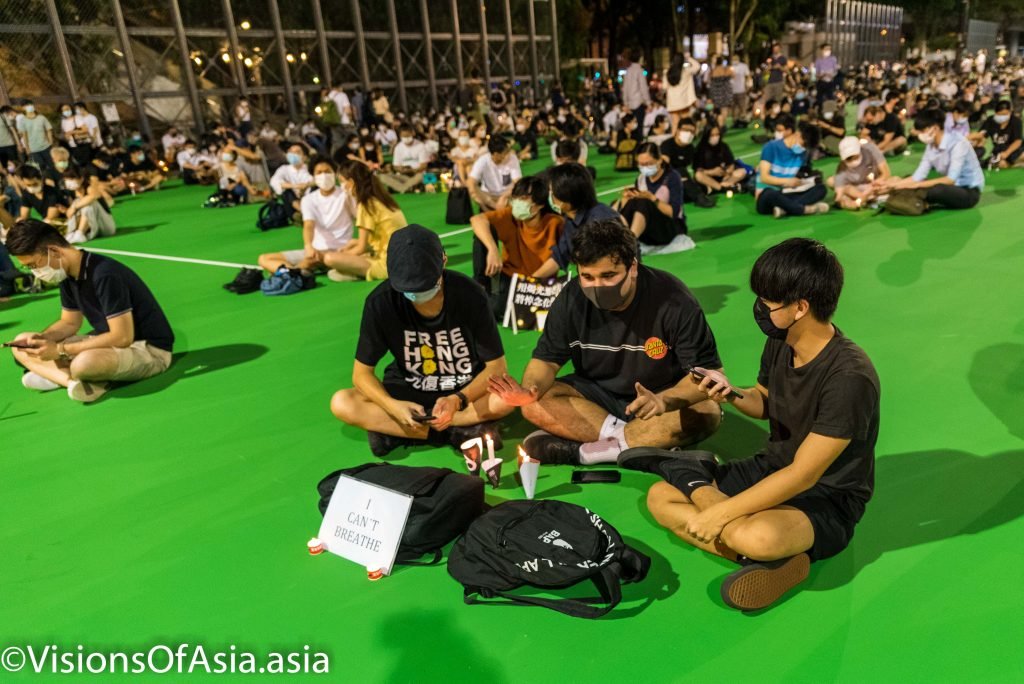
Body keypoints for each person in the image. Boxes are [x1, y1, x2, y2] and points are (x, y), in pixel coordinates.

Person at [638, 238, 879, 612]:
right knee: (659, 497)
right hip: (770, 467)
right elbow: (765, 402)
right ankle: (775, 561)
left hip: (827, 499)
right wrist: (731, 393)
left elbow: (803, 475)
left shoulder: (849, 376)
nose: (759, 309)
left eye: (768, 303)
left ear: (800, 307)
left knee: (757, 535)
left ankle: (745, 534)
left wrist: (719, 513)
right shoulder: (782, 342)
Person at [488, 219, 722, 466]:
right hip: (596, 399)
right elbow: (546, 361)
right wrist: (530, 390)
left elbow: (708, 375)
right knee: (534, 405)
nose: (597, 286)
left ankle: (583, 453)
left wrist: (664, 401)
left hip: (658, 397)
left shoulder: (675, 301)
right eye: (587, 276)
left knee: (707, 411)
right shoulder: (571, 298)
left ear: (633, 267)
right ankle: (637, 444)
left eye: (608, 275)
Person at [330, 224, 514, 457]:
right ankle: (455, 432)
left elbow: (497, 367)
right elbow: (361, 374)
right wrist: (392, 406)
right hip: (407, 391)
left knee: (505, 398)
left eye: (425, 287)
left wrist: (457, 399)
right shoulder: (380, 302)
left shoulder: (470, 295)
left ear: (444, 262)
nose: (417, 297)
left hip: (462, 389)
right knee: (342, 402)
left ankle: (404, 430)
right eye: (408, 290)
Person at [6, 219, 175, 403]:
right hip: (108, 344)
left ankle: (61, 375)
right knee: (20, 346)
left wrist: (60, 350)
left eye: (33, 265)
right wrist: (42, 338)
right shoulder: (67, 273)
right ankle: (73, 382)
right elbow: (70, 322)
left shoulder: (104, 274)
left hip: (148, 350)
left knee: (84, 363)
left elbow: (123, 337)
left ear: (53, 251)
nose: (35, 272)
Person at [470, 176, 564, 317]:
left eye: (524, 198)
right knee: (481, 236)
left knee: (495, 309)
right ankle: (481, 286)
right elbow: (476, 219)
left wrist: (527, 284)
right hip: (508, 277)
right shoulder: (510, 215)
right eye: (516, 198)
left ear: (540, 205)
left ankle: (485, 299)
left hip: (537, 282)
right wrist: (493, 249)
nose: (518, 203)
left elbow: (558, 260)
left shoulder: (555, 223)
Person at [256, 156, 353, 274]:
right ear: (313, 176)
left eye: (328, 171)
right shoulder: (308, 199)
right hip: (315, 251)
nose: (324, 175)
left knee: (320, 260)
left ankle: (296, 272)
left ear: (335, 174)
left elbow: (360, 218)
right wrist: (308, 247)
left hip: (342, 250)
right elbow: (308, 225)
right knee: (264, 259)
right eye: (319, 172)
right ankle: (297, 272)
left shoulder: (345, 195)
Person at [878, 108, 984, 210]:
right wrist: (891, 185)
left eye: (922, 130)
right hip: (951, 187)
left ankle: (910, 198)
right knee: (909, 179)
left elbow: (950, 179)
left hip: (969, 191)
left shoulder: (958, 143)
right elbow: (918, 176)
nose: (920, 134)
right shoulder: (931, 146)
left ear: (935, 128)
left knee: (937, 189)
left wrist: (915, 185)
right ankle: (902, 195)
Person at [322, 159, 407, 283]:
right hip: (402, 257)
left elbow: (361, 248)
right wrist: (352, 245)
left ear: (351, 182)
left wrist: (344, 255)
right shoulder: (381, 199)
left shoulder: (365, 205)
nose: (341, 186)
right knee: (351, 245)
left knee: (329, 258)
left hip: (389, 265)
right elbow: (373, 242)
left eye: (341, 182)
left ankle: (356, 273)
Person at [535, 163, 624, 278]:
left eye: (552, 192)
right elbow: (559, 257)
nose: (549, 196)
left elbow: (614, 266)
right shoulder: (570, 219)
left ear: (567, 194)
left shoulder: (602, 220)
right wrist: (531, 279)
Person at [613, 142, 688, 248]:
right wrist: (627, 198)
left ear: (660, 160)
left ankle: (631, 243)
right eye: (641, 164)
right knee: (623, 202)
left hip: (670, 228)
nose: (644, 167)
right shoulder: (641, 179)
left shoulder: (672, 178)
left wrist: (653, 199)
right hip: (649, 228)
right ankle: (620, 239)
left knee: (644, 202)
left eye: (648, 164)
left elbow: (673, 213)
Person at [755, 115, 829, 219]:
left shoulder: (803, 154)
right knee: (769, 193)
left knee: (821, 189)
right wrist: (787, 181)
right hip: (766, 196)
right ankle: (805, 209)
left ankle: (785, 209)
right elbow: (764, 178)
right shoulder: (771, 147)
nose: (803, 149)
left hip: (786, 192)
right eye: (804, 145)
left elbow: (801, 176)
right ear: (798, 134)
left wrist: (807, 180)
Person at [830, 137, 891, 211]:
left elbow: (886, 173)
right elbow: (838, 196)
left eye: (854, 157)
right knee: (831, 181)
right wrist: (859, 197)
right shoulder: (842, 168)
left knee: (894, 181)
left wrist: (873, 186)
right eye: (849, 158)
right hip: (855, 188)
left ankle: (867, 198)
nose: (852, 160)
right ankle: (867, 199)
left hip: (875, 184)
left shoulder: (871, 149)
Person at [466, 135, 522, 212]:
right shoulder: (483, 161)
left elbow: (518, 182)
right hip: (489, 197)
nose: (509, 154)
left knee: (522, 190)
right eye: (505, 152)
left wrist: (504, 197)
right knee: (474, 190)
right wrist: (493, 204)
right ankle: (490, 209)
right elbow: (470, 182)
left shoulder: (512, 158)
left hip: (508, 194)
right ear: (496, 154)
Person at [61, 168, 116, 244]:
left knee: (88, 203)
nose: (69, 182)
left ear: (81, 179)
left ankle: (80, 233)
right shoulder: (71, 194)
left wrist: (74, 207)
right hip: (92, 228)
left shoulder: (90, 188)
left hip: (106, 227)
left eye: (72, 178)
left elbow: (93, 196)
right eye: (66, 180)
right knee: (78, 202)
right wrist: (73, 208)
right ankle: (73, 232)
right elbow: (69, 213)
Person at [693, 125, 748, 194]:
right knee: (698, 176)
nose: (715, 137)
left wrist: (727, 172)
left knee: (742, 171)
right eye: (712, 135)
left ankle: (719, 187)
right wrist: (712, 172)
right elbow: (698, 170)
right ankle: (723, 187)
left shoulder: (723, 146)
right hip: (708, 178)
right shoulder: (700, 149)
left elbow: (731, 164)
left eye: (717, 134)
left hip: (724, 177)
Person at [377, 124, 429, 194]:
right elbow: (396, 166)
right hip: (403, 175)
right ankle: (407, 188)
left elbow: (424, 165)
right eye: (404, 136)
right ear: (400, 136)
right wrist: (402, 169)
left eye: (408, 136)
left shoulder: (420, 146)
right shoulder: (398, 147)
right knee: (382, 177)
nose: (406, 138)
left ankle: (402, 188)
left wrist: (413, 170)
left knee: (421, 176)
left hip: (417, 174)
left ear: (413, 133)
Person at [972, 100, 1022, 168]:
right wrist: (978, 144)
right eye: (1000, 114)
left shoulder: (1016, 121)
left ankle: (1015, 162)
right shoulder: (990, 121)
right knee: (999, 164)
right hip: (999, 150)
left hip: (1014, 150)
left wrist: (1007, 153)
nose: (1002, 116)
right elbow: (982, 136)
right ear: (995, 113)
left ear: (1010, 112)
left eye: (1005, 114)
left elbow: (1018, 141)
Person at [268, 143, 312, 213]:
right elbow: (274, 181)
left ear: (305, 157)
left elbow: (315, 181)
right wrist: (295, 186)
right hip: (292, 204)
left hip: (308, 199)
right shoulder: (283, 169)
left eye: (297, 152)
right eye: (291, 152)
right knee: (286, 192)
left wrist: (305, 187)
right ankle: (303, 212)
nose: (293, 154)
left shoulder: (310, 169)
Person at [664, 52, 700, 129]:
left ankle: (675, 139)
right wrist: (688, 58)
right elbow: (697, 66)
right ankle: (686, 139)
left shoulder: (667, 72)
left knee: (675, 124)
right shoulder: (686, 71)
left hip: (672, 102)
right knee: (686, 122)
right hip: (683, 101)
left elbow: (664, 87)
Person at [17, 100, 55, 172]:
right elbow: (24, 135)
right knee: (40, 168)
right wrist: (27, 148)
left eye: (30, 104)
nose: (29, 107)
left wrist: (50, 142)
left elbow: (49, 130)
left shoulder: (41, 117)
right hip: (33, 149)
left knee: (52, 165)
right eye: (26, 105)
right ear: (23, 108)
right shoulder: (22, 120)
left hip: (46, 146)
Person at [620, 49, 651, 124]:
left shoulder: (628, 71)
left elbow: (625, 89)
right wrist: (648, 102)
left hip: (630, 105)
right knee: (639, 126)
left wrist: (625, 103)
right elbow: (643, 88)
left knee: (633, 127)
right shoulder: (639, 70)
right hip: (639, 103)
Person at [709, 56, 734, 127]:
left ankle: (718, 124)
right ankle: (722, 125)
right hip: (725, 91)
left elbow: (709, 81)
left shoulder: (713, 70)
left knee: (717, 110)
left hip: (716, 92)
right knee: (724, 109)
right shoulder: (726, 69)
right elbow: (733, 75)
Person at [731, 54, 751, 125]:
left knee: (742, 106)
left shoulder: (743, 66)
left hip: (741, 89)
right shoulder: (730, 67)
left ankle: (742, 120)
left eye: (735, 59)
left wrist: (748, 86)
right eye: (733, 59)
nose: (734, 60)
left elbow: (748, 76)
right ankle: (735, 121)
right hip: (732, 90)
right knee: (733, 107)